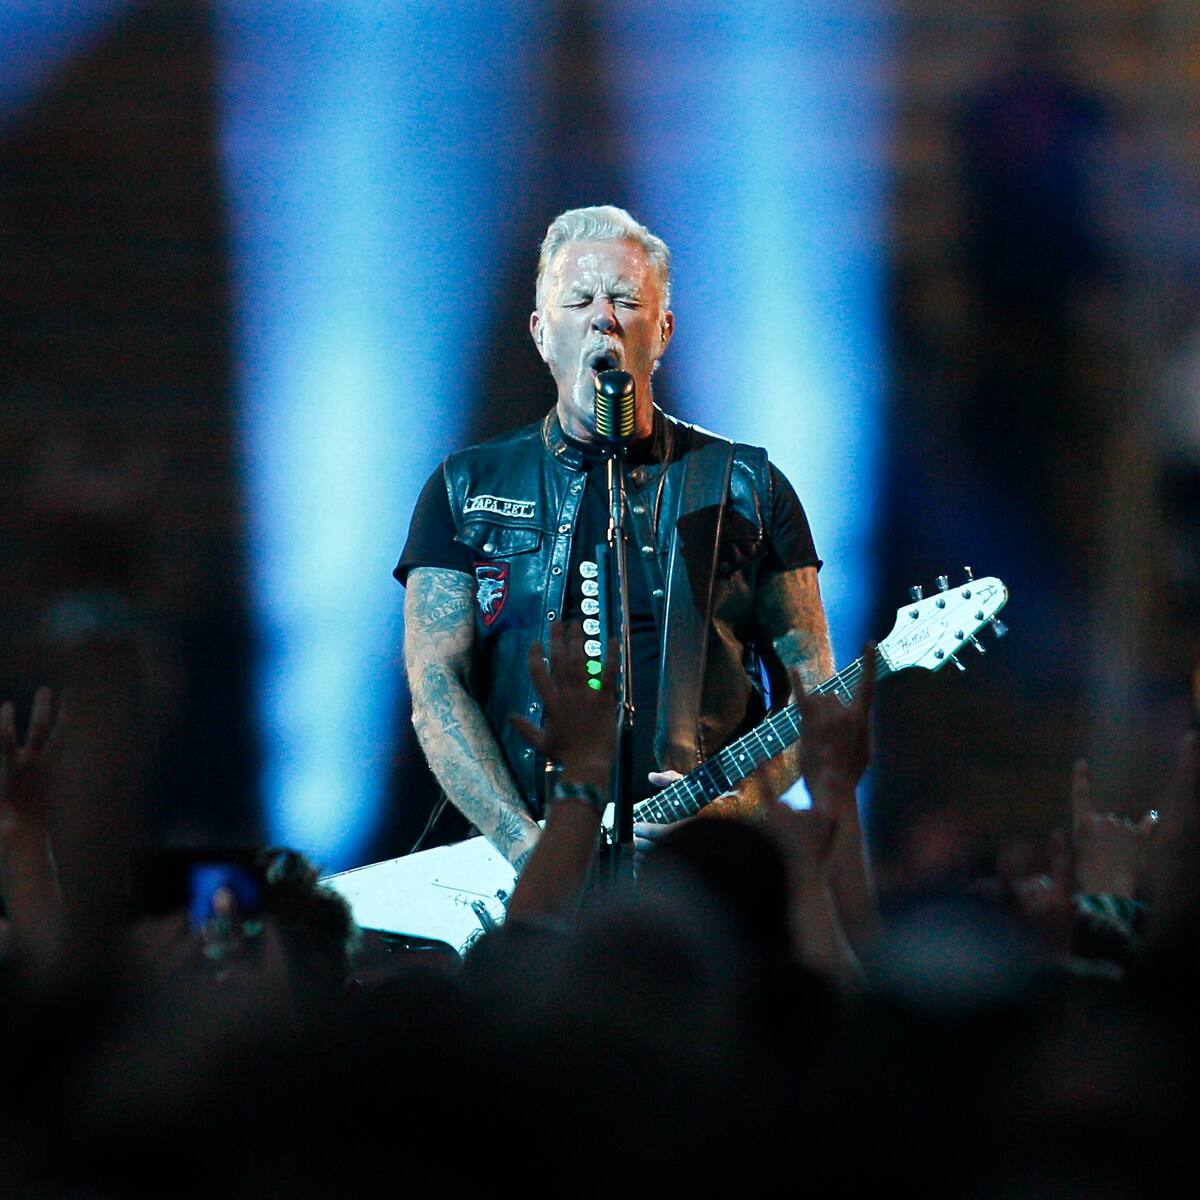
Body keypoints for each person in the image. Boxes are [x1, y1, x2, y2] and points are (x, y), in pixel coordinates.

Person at [397, 206, 833, 872]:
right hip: (521, 868)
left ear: (662, 332)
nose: (603, 317)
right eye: (579, 300)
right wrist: (521, 843)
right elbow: (436, 689)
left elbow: (815, 691)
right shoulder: (465, 486)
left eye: (626, 300)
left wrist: (732, 811)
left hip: (696, 876)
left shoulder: (746, 485)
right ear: (541, 334)